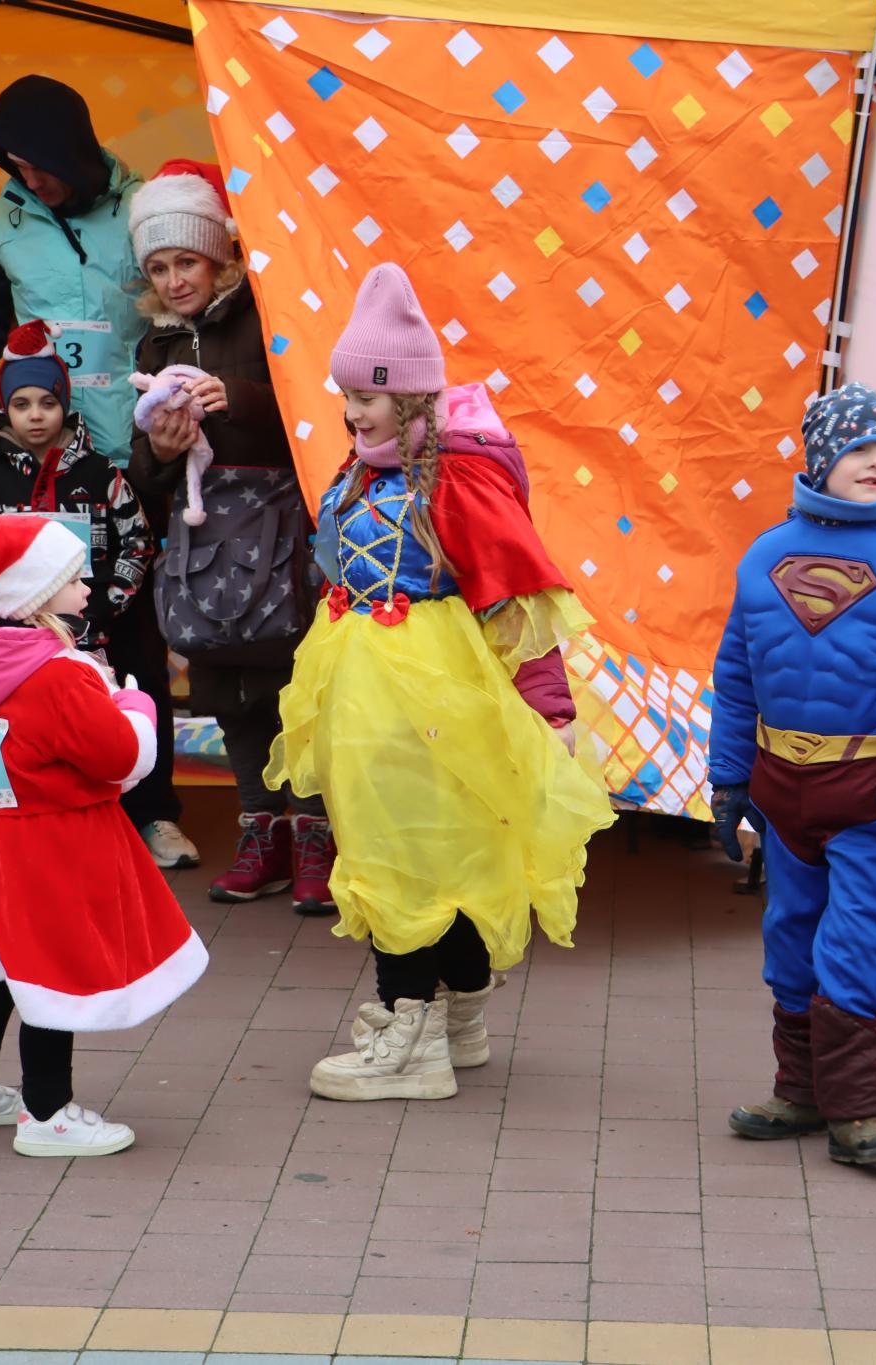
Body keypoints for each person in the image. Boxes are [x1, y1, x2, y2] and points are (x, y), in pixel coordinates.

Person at [265, 263, 614, 1101]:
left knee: (406, 856)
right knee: (418, 847)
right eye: (345, 394)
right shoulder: (364, 473)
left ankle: (407, 1032)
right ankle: (457, 1016)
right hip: (366, 696)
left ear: (415, 398)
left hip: (437, 701)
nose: (352, 411)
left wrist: (552, 711)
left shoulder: (457, 478)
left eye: (369, 397)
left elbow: (519, 598)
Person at [711, 384, 876, 1166]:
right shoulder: (765, 554)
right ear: (820, 458)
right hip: (782, 787)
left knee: (858, 940)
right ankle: (801, 1090)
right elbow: (736, 674)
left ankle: (861, 1107)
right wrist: (729, 780)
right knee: (791, 936)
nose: (875, 461)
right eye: (858, 447)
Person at [0, 75, 197, 870]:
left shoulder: (144, 207)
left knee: (135, 642)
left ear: (73, 155)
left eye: (38, 164)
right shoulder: (1, 219)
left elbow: (190, 293)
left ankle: (154, 813)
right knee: (41, 646)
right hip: (40, 464)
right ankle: (56, 806)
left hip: (133, 457)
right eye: (15, 163)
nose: (28, 178)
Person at [0, 515, 206, 1156]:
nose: (85, 589)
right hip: (44, 849)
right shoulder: (56, 675)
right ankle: (47, 1113)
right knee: (52, 980)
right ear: (29, 599)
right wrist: (134, 707)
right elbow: (119, 760)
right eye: (70, 579)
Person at [124, 161, 336, 913]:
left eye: (186, 260)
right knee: (227, 685)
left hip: (280, 531)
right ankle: (261, 833)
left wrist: (238, 397)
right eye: (160, 266)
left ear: (218, 255)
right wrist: (164, 447)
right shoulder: (154, 350)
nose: (176, 279)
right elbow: (143, 471)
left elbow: (317, 416)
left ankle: (314, 834)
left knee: (293, 684)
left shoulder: (268, 317)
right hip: (207, 538)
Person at [0, 321, 154, 660]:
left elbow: (139, 541)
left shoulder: (100, 472)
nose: (35, 415)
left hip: (86, 642)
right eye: (21, 405)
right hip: (4, 644)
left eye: (47, 403)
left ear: (63, 405)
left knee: (85, 712)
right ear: (5, 408)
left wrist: (110, 601)